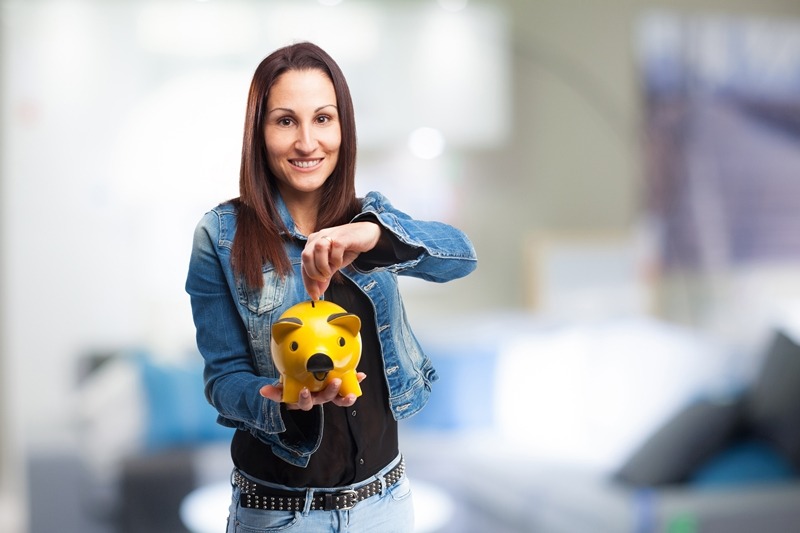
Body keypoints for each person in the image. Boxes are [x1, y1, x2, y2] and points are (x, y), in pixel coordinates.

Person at [185, 41, 477, 533]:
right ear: (259, 133)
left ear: (344, 128)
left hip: (386, 504)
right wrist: (278, 398)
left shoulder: (370, 217)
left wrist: (375, 235)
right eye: (285, 121)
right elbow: (222, 379)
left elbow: (459, 256)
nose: (306, 142)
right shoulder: (220, 235)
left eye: (323, 118)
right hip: (279, 514)